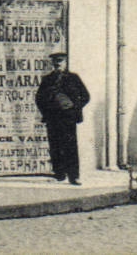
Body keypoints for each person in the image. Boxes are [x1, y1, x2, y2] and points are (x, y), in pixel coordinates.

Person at [34, 50, 90, 184]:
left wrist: (74, 109)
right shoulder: (47, 79)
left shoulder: (73, 78)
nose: (58, 64)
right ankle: (59, 173)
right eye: (55, 62)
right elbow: (39, 98)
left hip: (68, 118)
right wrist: (46, 112)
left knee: (70, 147)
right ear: (52, 64)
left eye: (60, 61)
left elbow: (86, 96)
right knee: (55, 146)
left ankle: (73, 176)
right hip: (53, 118)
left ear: (65, 63)